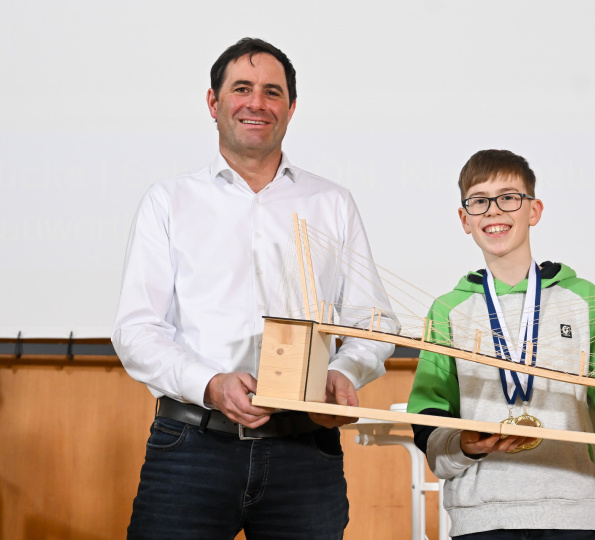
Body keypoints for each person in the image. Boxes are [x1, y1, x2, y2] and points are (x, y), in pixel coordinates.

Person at [112, 37, 396, 540]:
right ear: (213, 102)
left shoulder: (332, 202)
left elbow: (373, 322)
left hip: (305, 453)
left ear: (291, 107)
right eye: (242, 88)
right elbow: (136, 330)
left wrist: (341, 372)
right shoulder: (168, 201)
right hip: (191, 447)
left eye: (272, 92)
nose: (257, 103)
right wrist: (209, 383)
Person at [407, 149, 595, 539]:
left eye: (508, 197)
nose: (494, 211)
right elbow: (429, 413)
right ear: (465, 219)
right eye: (479, 201)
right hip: (482, 518)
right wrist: (463, 445)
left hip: (570, 512)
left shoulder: (582, 298)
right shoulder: (448, 310)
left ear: (534, 210)